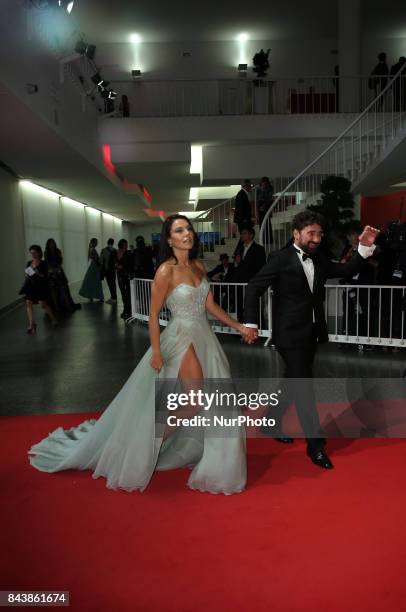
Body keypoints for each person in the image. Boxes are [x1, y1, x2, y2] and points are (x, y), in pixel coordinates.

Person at [28, 214, 249, 494]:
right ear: (169, 239)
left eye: (188, 229)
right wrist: (156, 352)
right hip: (181, 339)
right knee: (196, 402)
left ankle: (158, 441)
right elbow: (154, 315)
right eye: (179, 230)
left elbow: (211, 306)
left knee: (199, 401)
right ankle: (143, 444)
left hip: (204, 337)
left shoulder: (198, 266)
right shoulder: (165, 271)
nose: (187, 234)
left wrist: (239, 326)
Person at [242, 211, 379, 469]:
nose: (316, 238)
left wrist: (364, 246)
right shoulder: (280, 258)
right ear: (296, 234)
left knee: (294, 381)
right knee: (304, 386)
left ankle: (270, 419)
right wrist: (251, 322)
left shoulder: (318, 258)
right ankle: (314, 445)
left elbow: (345, 269)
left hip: (312, 332)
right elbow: (253, 288)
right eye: (311, 233)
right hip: (288, 335)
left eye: (320, 233)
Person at [19, 244, 58, 333]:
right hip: (30, 286)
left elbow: (45, 276)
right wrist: (27, 275)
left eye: (34, 253)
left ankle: (53, 319)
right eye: (31, 253)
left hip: (40, 286)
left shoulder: (44, 263)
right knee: (28, 303)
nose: (33, 255)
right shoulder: (29, 263)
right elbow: (28, 274)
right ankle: (31, 323)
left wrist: (38, 273)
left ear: (39, 253)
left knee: (43, 304)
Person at [44, 238, 81, 314]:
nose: (52, 245)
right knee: (53, 291)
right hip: (51, 273)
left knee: (64, 289)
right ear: (48, 245)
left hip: (59, 272)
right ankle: (56, 307)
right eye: (51, 243)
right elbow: (46, 262)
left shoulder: (58, 251)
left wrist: (57, 268)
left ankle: (67, 305)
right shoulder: (46, 253)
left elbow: (60, 261)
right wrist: (51, 270)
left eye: (53, 243)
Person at [116, 239, 133, 319]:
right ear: (122, 245)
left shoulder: (128, 253)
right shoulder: (116, 253)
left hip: (126, 276)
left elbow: (130, 264)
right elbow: (113, 263)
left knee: (128, 294)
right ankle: (126, 310)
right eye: (125, 244)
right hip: (120, 275)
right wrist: (116, 266)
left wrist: (123, 266)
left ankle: (128, 310)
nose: (126, 245)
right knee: (123, 294)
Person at [100, 238, 117, 305]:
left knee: (110, 284)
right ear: (113, 243)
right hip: (113, 270)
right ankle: (113, 297)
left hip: (107, 270)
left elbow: (100, 260)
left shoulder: (104, 250)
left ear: (107, 242)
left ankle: (113, 298)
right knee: (113, 284)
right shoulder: (115, 250)